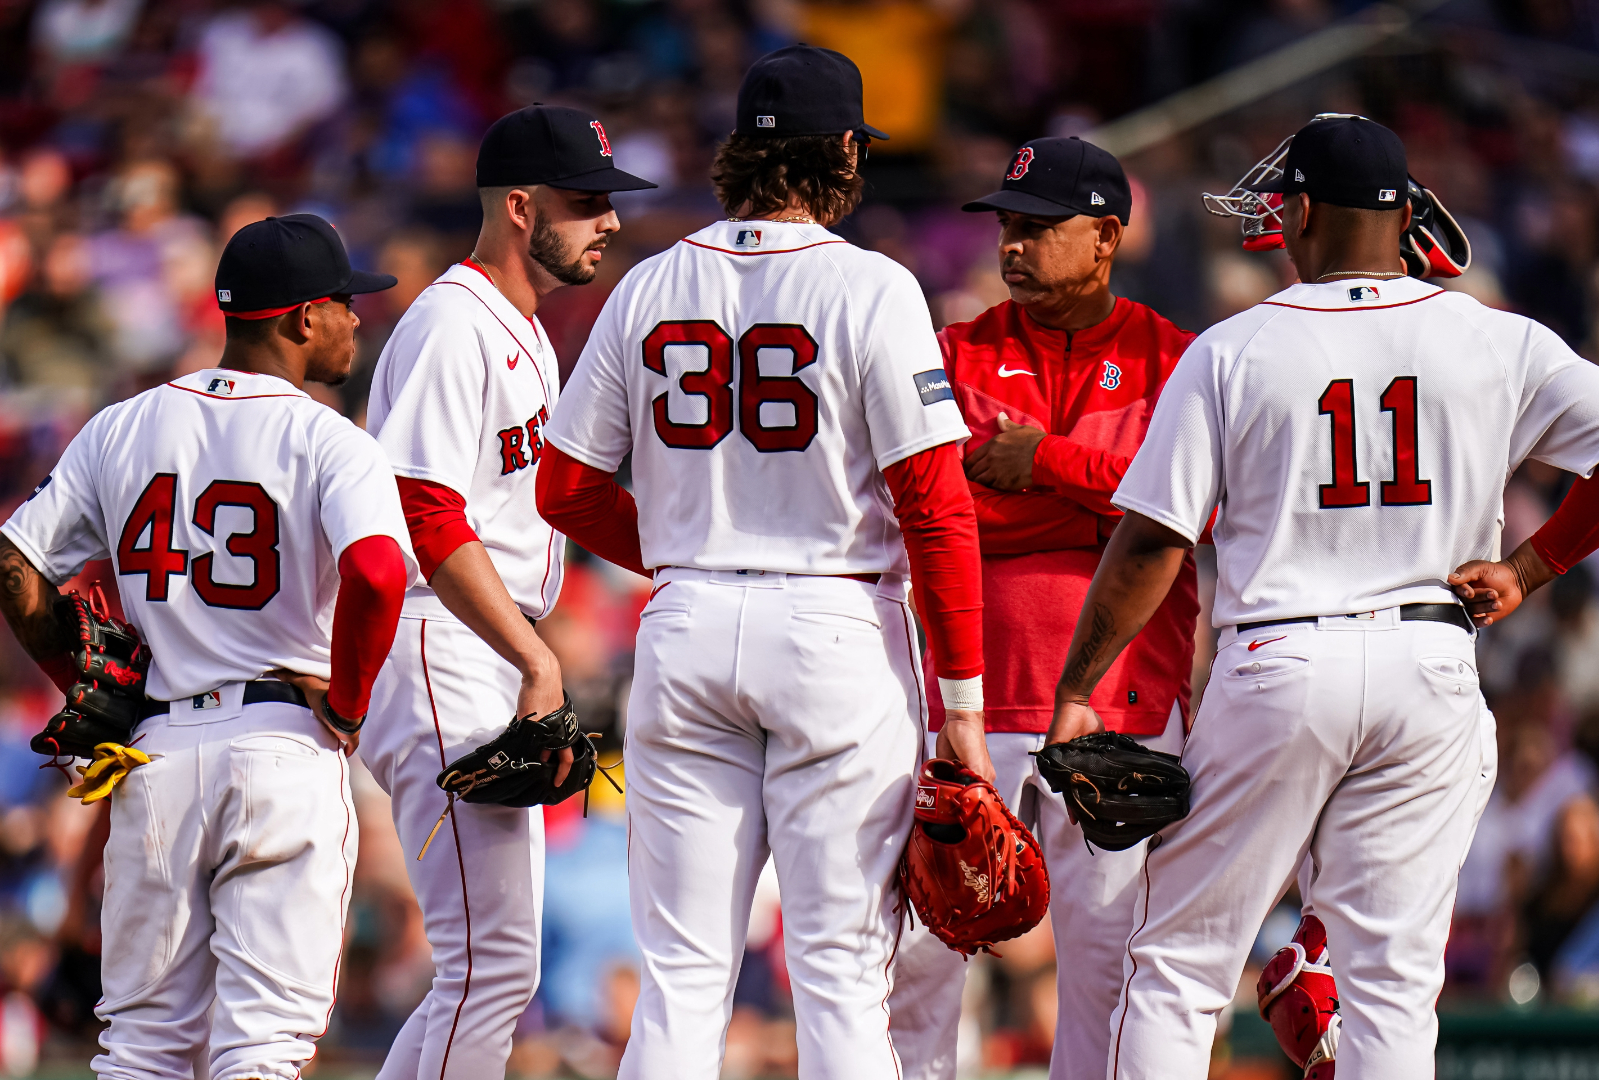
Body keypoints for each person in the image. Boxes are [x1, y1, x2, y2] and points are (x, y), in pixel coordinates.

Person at [1048, 115, 1599, 1078]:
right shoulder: (1495, 336)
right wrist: (1532, 567)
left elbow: (1154, 540)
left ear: (1301, 213)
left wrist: (1077, 685)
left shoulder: (1236, 346)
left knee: (1179, 964)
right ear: (1407, 219)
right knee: (1391, 985)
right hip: (1431, 662)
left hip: (1282, 660)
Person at [536, 45, 985, 1078]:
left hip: (687, 625)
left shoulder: (650, 283)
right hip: (834, 626)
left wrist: (685, 555)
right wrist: (961, 703)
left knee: (682, 976)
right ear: (842, 153)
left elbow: (563, 487)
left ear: (739, 152)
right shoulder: (872, 285)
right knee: (839, 971)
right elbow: (936, 504)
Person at [0, 213, 415, 1080]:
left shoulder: (124, 424)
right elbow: (377, 573)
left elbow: (10, 569)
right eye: (344, 303)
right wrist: (349, 704)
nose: (356, 319)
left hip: (157, 748)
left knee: (142, 1047)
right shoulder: (330, 438)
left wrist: (80, 684)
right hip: (281, 741)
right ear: (302, 318)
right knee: (262, 1047)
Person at [887, 136, 1199, 1080]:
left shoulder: (1177, 358)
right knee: (916, 965)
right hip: (964, 699)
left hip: (1119, 705)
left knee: (1106, 974)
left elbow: (1187, 515)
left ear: (1106, 236)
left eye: (1036, 228)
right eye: (1006, 228)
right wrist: (1104, 507)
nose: (1011, 246)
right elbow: (937, 507)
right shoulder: (956, 350)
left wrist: (1045, 463)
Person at [361, 104, 654, 1080]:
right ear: (522, 208)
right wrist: (533, 655)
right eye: (586, 201)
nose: (610, 220)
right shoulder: (454, 322)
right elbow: (422, 507)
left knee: (491, 968)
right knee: (490, 967)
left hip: (472, 641)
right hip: (439, 638)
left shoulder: (522, 328)